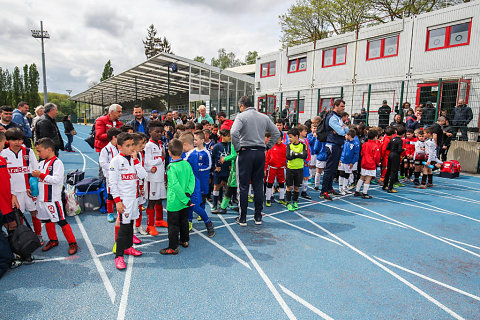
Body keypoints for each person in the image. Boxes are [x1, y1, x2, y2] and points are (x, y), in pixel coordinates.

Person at [230, 96, 280, 226]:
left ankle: (243, 218)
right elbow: (276, 133)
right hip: (260, 153)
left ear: (242, 106)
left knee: (243, 186)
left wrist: (237, 148)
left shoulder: (241, 116)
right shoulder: (264, 117)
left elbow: (234, 132)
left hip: (245, 153)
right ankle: (258, 216)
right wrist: (267, 147)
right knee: (258, 185)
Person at [32, 138, 78, 255]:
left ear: (49, 149)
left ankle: (72, 243)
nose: (38, 154)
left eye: (39, 151)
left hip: (52, 199)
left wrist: (41, 175)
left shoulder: (57, 163)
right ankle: (53, 240)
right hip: (41, 199)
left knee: (61, 221)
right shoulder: (41, 162)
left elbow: (57, 180)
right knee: (47, 220)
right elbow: (39, 179)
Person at [109, 133, 146, 270]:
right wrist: (117, 201)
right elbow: (112, 183)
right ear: (119, 147)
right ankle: (118, 256)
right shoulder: (115, 161)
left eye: (132, 145)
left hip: (134, 199)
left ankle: (128, 247)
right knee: (123, 228)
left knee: (130, 224)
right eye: (128, 146)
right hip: (123, 200)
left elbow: (143, 176)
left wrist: (136, 161)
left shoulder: (135, 159)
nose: (131, 148)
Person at [1, 128, 42, 243]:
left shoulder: (28, 152)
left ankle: (38, 235)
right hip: (14, 193)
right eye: (15, 140)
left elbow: (36, 169)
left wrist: (33, 186)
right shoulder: (3, 154)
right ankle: (23, 238)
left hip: (29, 190)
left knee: (35, 213)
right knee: (19, 216)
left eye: (20, 140)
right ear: (8, 141)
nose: (18, 142)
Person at [160, 139, 195, 255]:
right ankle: (185, 240)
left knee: (173, 225)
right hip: (185, 200)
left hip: (175, 201)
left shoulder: (171, 167)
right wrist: (188, 194)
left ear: (169, 152)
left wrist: (185, 199)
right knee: (184, 221)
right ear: (182, 151)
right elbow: (192, 178)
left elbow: (174, 185)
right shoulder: (186, 163)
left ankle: (173, 247)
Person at [180, 132, 215, 236]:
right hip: (189, 184)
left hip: (193, 185)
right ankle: (189, 222)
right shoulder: (191, 153)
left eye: (182, 146)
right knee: (188, 205)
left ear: (185, 144)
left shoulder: (191, 155)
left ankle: (208, 223)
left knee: (194, 206)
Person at [320, 99, 349, 201]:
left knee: (333, 169)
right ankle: (323, 191)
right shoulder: (332, 118)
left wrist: (343, 128)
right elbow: (342, 132)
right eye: (342, 106)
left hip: (337, 145)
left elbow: (346, 130)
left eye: (344, 107)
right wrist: (342, 128)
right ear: (336, 106)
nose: (343, 108)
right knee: (329, 169)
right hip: (332, 145)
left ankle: (329, 188)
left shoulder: (338, 118)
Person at [143, 120, 168, 235]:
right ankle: (149, 225)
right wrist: (161, 159)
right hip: (152, 179)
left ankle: (159, 220)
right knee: (152, 201)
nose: (159, 134)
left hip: (160, 177)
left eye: (161, 132)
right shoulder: (148, 146)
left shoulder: (160, 144)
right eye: (156, 132)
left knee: (159, 199)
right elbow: (147, 163)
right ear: (150, 132)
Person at [99, 128, 121, 223]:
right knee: (111, 195)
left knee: (121, 194)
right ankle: (110, 213)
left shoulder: (119, 148)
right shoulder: (106, 150)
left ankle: (120, 213)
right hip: (110, 176)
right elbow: (103, 163)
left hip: (120, 176)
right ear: (113, 137)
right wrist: (113, 167)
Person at [285, 128, 308, 211]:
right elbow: (288, 157)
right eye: (288, 137)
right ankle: (288, 202)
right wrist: (299, 154)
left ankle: (295, 201)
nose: (289, 139)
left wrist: (294, 154)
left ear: (296, 136)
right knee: (289, 186)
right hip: (290, 169)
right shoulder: (289, 146)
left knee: (297, 187)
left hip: (299, 169)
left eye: (291, 137)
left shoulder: (303, 145)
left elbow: (304, 155)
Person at [354, 130, 381, 199]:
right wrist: (377, 163)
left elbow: (362, 153)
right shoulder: (375, 145)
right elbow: (376, 156)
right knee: (368, 178)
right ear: (375, 137)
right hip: (371, 163)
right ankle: (364, 193)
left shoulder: (364, 144)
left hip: (364, 162)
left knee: (362, 177)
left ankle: (357, 191)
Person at [211, 129, 231, 212]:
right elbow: (212, 158)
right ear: (222, 136)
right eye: (227, 136)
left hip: (228, 170)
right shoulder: (216, 146)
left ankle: (225, 204)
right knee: (216, 187)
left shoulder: (231, 145)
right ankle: (215, 203)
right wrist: (214, 168)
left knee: (228, 187)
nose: (229, 137)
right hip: (218, 171)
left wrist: (231, 165)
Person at [264, 133, 287, 207]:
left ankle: (282, 198)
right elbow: (267, 159)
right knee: (270, 183)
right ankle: (268, 199)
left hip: (281, 168)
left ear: (281, 138)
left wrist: (286, 165)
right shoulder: (271, 147)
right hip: (272, 168)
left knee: (281, 183)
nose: (277, 139)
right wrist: (265, 168)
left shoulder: (285, 147)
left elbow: (286, 158)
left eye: (278, 138)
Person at [383, 126, 405, 193]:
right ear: (403, 134)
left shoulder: (392, 139)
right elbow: (399, 150)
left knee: (388, 170)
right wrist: (403, 150)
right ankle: (390, 187)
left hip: (390, 154)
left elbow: (388, 147)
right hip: (395, 156)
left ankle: (385, 185)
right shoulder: (400, 140)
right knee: (394, 171)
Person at [338, 129, 356, 195]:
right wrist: (339, 160)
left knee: (347, 175)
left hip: (349, 162)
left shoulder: (355, 144)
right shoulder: (344, 142)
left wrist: (352, 162)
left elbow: (356, 154)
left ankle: (345, 187)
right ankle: (340, 188)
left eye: (346, 135)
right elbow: (340, 151)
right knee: (341, 174)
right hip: (342, 161)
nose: (345, 136)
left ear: (350, 136)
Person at [297, 124, 312, 200]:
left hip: (306, 162)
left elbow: (308, 151)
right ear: (300, 132)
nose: (306, 132)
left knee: (306, 177)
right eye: (304, 131)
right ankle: (293, 191)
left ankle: (304, 191)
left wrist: (308, 160)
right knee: (296, 177)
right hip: (299, 162)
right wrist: (304, 160)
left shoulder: (306, 140)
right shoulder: (297, 141)